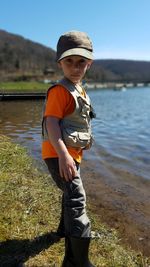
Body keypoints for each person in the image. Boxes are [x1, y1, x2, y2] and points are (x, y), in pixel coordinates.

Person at [42, 30, 96, 267]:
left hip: (71, 154)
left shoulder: (80, 90)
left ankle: (63, 231)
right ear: (60, 63)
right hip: (59, 154)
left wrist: (85, 141)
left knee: (69, 194)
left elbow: (77, 121)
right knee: (77, 199)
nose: (75, 67)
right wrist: (64, 155)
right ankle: (77, 261)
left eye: (81, 62)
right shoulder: (59, 91)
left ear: (89, 64)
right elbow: (51, 122)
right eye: (69, 62)